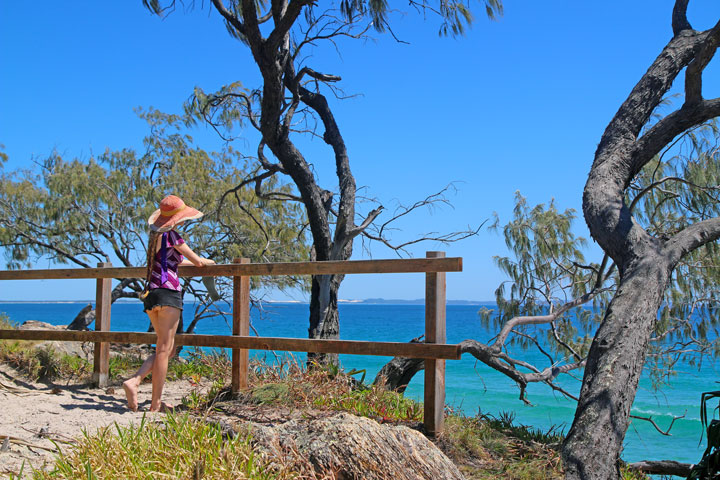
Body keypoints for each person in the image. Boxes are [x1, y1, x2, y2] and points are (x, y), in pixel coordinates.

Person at [122, 195, 214, 412]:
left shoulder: (155, 237)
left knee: (166, 348)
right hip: (168, 293)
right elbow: (198, 262)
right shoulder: (173, 236)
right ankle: (153, 402)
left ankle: (135, 381)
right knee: (165, 349)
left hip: (151, 293)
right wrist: (209, 262)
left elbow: (172, 259)